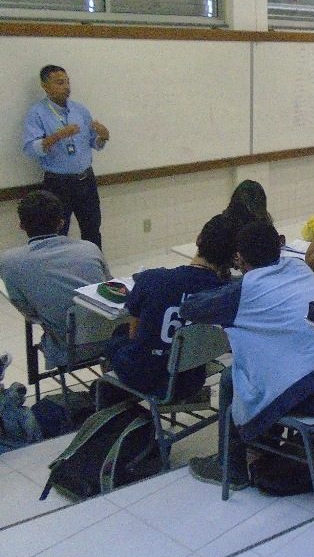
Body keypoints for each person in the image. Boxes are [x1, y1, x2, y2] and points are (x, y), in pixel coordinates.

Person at [183, 221, 314, 488]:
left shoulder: (243, 291)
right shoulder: (298, 268)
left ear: (238, 258)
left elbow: (191, 309)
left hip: (312, 395)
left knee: (230, 378)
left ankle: (230, 467)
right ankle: (266, 442)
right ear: (280, 245)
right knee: (269, 360)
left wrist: (219, 276)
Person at [102, 214, 235, 401]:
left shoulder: (151, 279)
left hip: (145, 376)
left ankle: (115, 403)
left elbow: (134, 333)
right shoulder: (226, 294)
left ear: (198, 239)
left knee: (116, 339)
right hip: (191, 380)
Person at [0, 190, 111, 370]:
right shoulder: (90, 249)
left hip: (66, 349)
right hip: (111, 340)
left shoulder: (10, 261)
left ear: (21, 225)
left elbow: (29, 312)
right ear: (61, 222)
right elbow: (110, 289)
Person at [22, 65, 111, 249]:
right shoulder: (37, 113)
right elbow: (30, 149)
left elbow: (94, 143)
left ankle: (95, 271)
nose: (67, 87)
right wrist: (58, 136)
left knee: (92, 229)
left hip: (86, 180)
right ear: (45, 86)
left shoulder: (80, 110)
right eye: (60, 82)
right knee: (57, 234)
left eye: (68, 82)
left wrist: (103, 136)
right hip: (58, 183)